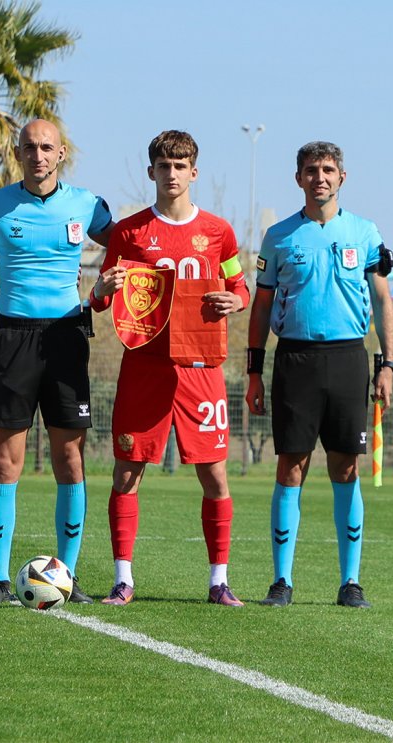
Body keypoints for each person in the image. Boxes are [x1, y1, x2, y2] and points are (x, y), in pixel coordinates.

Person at [89, 130, 250, 606]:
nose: (172, 174)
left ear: (194, 172)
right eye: (164, 165)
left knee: (215, 475)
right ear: (151, 172)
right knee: (127, 471)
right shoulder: (130, 232)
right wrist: (105, 286)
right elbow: (100, 299)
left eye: (181, 166)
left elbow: (241, 287)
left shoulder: (219, 232)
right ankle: (123, 579)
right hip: (145, 367)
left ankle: (219, 581)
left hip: (202, 368)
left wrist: (234, 301)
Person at [0, 119, 114, 604]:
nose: (38, 155)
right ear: (18, 152)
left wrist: (100, 293)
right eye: (29, 147)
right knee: (7, 460)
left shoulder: (87, 205)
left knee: (70, 458)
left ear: (62, 152)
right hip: (13, 338)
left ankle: (67, 574)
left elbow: (126, 248)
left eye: (46, 147)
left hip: (68, 337)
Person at [245, 141, 393, 609]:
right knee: (290, 466)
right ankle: (281, 582)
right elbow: (262, 304)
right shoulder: (279, 236)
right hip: (295, 360)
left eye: (329, 169)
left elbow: (383, 301)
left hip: (349, 360)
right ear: (299, 178)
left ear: (342, 177)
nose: (320, 177)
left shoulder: (365, 233)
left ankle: (350, 583)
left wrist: (387, 364)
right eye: (311, 170)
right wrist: (254, 370)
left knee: (346, 466)